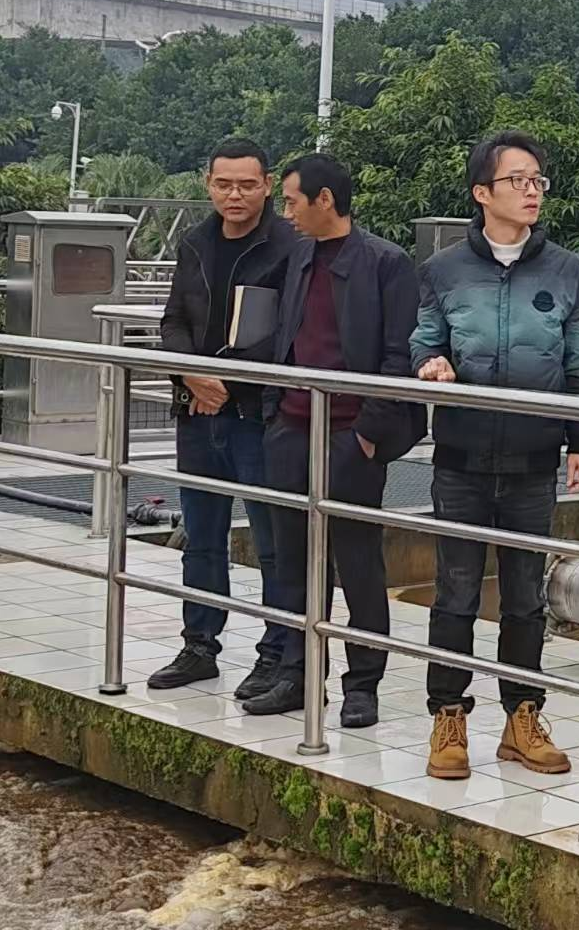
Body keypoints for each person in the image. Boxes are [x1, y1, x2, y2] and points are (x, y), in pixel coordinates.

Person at [409, 131, 579, 781]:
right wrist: (430, 362)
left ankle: (522, 717)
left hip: (533, 458)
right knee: (455, 594)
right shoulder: (443, 270)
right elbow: (424, 339)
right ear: (482, 193)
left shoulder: (567, 271)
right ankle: (447, 718)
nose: (531, 191)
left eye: (537, 180)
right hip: (460, 455)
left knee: (523, 597)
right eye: (517, 180)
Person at [240, 153, 427, 729]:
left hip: (351, 434)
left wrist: (369, 434)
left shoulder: (386, 263)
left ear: (325, 200)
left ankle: (363, 684)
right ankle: (299, 674)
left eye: (292, 200)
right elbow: (280, 335)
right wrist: (273, 412)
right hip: (291, 427)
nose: (286, 212)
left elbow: (399, 354)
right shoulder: (298, 256)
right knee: (294, 561)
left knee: (358, 562)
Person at [148, 137, 295, 693]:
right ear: (208, 184)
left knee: (271, 542)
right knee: (202, 538)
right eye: (224, 184)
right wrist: (190, 375)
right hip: (196, 412)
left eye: (247, 184)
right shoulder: (194, 242)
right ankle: (198, 646)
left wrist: (227, 383)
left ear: (267, 185)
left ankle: (276, 654)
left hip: (257, 415)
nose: (235, 195)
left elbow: (290, 331)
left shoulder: (288, 246)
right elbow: (173, 321)